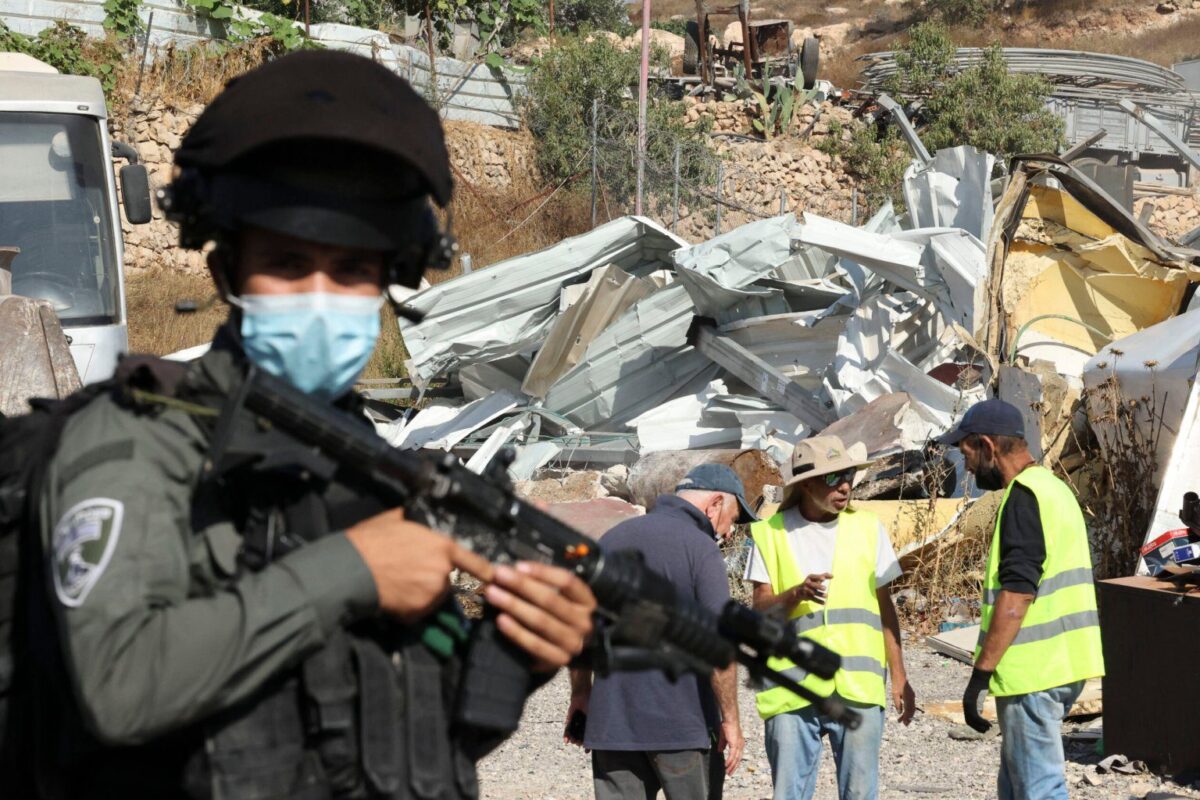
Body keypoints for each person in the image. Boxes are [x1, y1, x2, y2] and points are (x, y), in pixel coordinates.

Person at [19, 50, 596, 798]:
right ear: (226, 274)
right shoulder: (139, 438)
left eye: (352, 271)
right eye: (288, 265)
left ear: (387, 283)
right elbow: (118, 686)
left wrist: (517, 651)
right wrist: (353, 568)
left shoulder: (363, 460)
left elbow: (407, 741)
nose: (320, 297)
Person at [939, 399, 1104, 800]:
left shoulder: (1024, 496)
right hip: (1063, 664)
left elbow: (1016, 595)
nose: (968, 467)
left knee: (1039, 788)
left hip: (1035, 672)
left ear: (987, 445)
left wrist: (981, 674)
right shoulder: (1055, 489)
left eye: (967, 454)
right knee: (1015, 785)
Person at [564, 464, 755, 800]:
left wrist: (580, 694)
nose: (729, 533)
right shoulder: (700, 548)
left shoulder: (611, 540)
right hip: (683, 728)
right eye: (733, 519)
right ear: (715, 504)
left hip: (613, 727)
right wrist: (731, 720)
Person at [743, 435, 915, 800]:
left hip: (857, 686)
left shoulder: (868, 529)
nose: (845, 486)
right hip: (791, 688)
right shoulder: (770, 534)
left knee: (860, 793)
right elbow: (760, 611)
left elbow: (885, 608)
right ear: (806, 484)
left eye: (848, 475)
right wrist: (796, 594)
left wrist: (899, 675)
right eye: (833, 477)